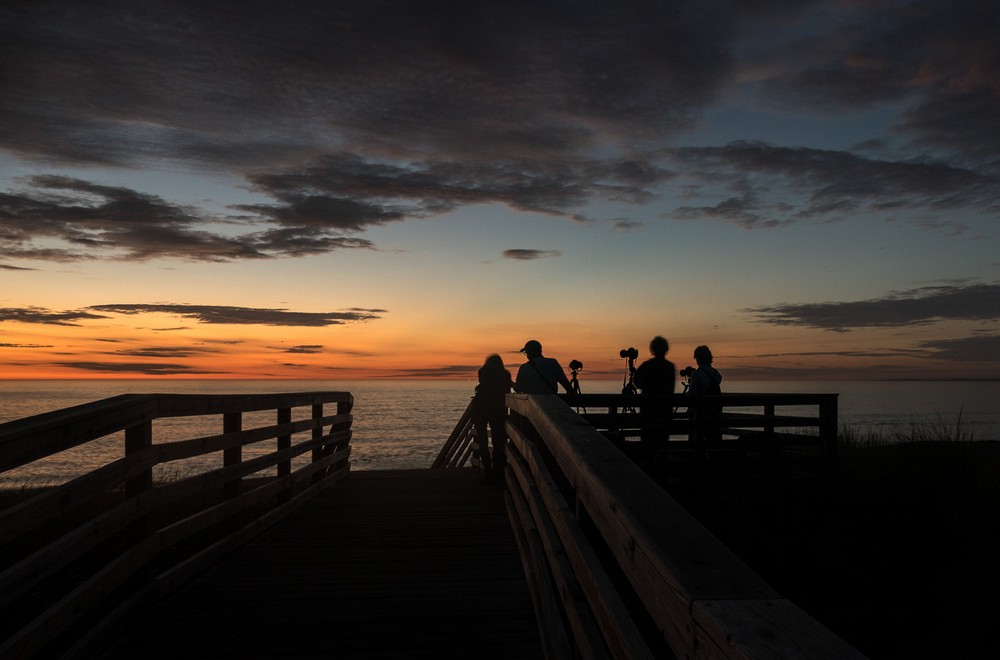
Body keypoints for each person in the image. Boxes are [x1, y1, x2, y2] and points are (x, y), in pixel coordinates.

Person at [472, 354, 513, 483]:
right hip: (498, 410)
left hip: (480, 409)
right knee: (497, 443)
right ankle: (498, 472)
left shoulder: (483, 372)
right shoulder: (505, 375)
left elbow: (482, 385)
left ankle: (488, 472)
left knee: (483, 443)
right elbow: (506, 390)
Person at [634, 336, 676, 448]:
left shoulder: (647, 366)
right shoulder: (670, 367)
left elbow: (637, 383)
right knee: (663, 444)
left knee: (647, 443)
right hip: (665, 412)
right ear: (666, 349)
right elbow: (671, 388)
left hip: (648, 411)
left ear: (652, 349)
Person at [686, 345, 723, 443]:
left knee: (697, 437)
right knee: (714, 437)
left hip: (702, 413)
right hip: (715, 412)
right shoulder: (716, 374)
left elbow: (692, 394)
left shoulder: (696, 374)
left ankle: (697, 455)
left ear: (698, 359)